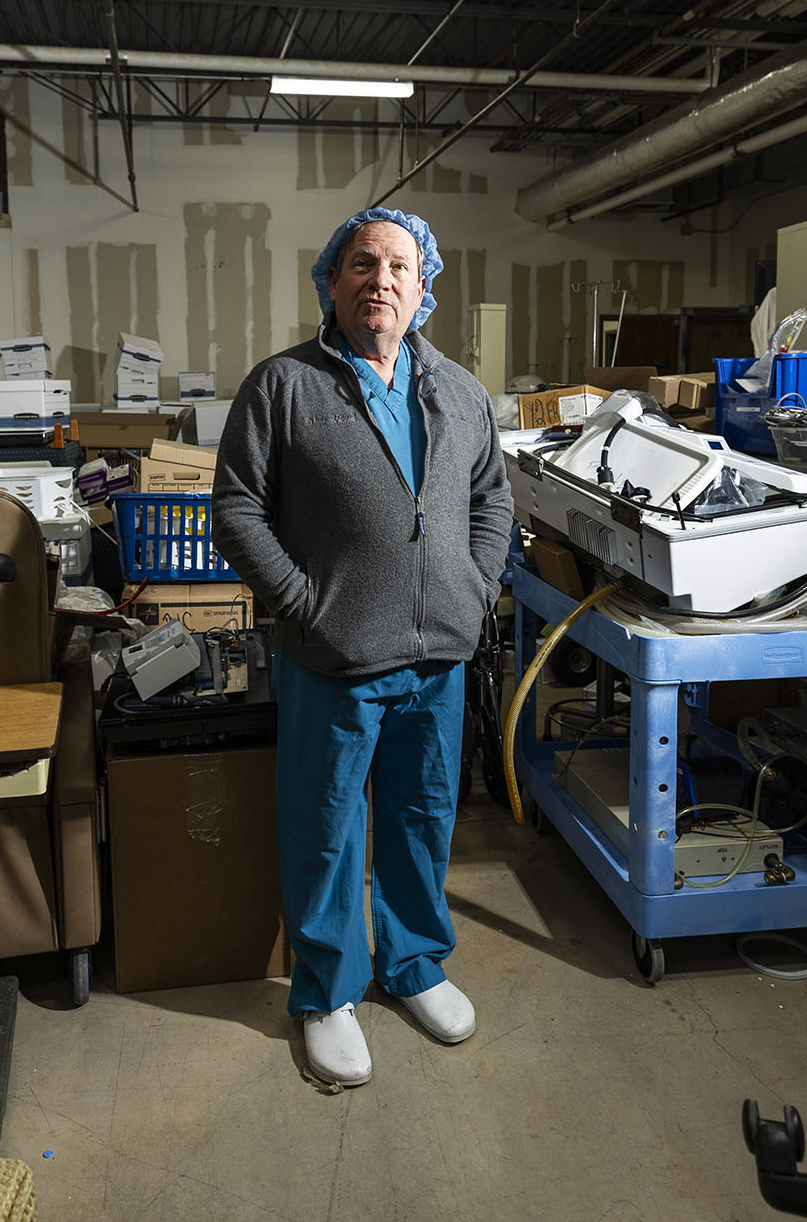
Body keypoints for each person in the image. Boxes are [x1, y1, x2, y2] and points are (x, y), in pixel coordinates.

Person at [212, 206, 513, 1088]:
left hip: (439, 658)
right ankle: (327, 991)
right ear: (330, 281)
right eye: (360, 263)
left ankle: (414, 964)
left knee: (422, 819)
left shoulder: (459, 390)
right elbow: (236, 509)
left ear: (424, 288)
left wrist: (477, 583)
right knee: (329, 828)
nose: (379, 279)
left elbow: (493, 498)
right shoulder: (284, 386)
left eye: (397, 266)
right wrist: (307, 602)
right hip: (333, 657)